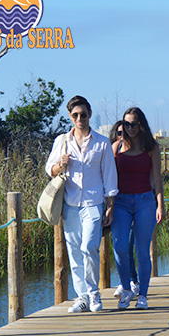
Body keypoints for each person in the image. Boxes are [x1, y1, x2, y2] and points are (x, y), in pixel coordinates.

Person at [45, 95, 118, 313]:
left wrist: (110, 205)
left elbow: (109, 176)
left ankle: (94, 293)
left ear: (90, 115)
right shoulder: (62, 141)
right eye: (75, 115)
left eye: (83, 114)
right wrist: (61, 163)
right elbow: (49, 170)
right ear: (70, 116)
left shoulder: (102, 142)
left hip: (93, 203)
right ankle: (82, 297)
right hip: (70, 204)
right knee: (75, 250)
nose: (80, 118)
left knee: (89, 246)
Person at [110, 107, 165, 310]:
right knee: (120, 247)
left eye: (134, 124)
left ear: (141, 124)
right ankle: (126, 289)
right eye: (126, 124)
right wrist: (109, 206)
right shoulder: (116, 148)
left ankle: (143, 295)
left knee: (142, 251)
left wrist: (160, 204)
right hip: (121, 202)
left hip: (144, 201)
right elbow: (109, 179)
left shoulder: (151, 147)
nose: (130, 128)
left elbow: (157, 178)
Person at [109, 121, 140, 299]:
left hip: (136, 202)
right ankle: (126, 282)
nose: (123, 136)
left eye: (125, 132)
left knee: (129, 245)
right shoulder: (114, 151)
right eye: (119, 133)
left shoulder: (139, 150)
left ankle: (132, 282)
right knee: (119, 245)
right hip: (117, 202)